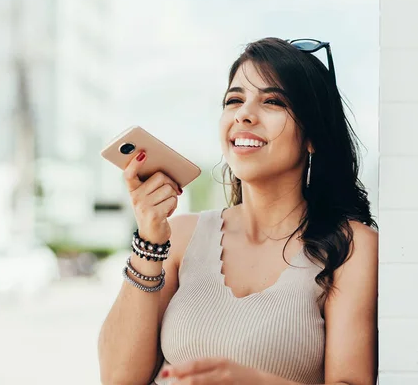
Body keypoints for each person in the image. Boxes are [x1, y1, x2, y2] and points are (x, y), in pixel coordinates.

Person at [98, 37, 379, 385]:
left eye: (273, 101)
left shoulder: (351, 246)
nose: (244, 114)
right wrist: (149, 242)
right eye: (234, 100)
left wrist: (250, 380)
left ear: (313, 136)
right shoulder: (180, 238)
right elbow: (117, 379)